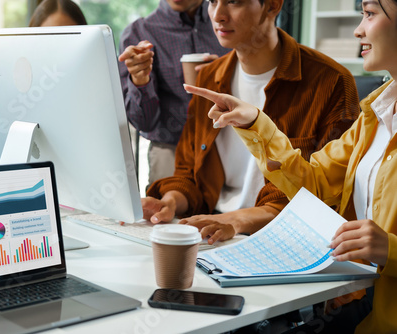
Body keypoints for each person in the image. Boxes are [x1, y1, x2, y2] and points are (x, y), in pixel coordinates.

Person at [184, 0, 397, 331]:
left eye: (369, 14)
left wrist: (391, 250)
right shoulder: (377, 111)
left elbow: (382, 244)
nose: (358, 30)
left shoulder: (340, 86)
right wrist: (256, 123)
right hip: (364, 304)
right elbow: (313, 183)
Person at [141, 0, 359, 245]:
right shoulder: (209, 77)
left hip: (284, 239)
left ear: (273, 6)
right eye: (212, 1)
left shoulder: (331, 81)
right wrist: (169, 202)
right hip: (213, 234)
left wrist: (237, 220)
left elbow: (326, 191)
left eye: (234, 2)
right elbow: (188, 173)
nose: (218, 15)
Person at [118, 0, 228, 186]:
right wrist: (140, 81)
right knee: (167, 211)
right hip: (170, 152)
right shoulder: (139, 33)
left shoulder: (228, 23)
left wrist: (226, 72)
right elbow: (144, 123)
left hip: (228, 146)